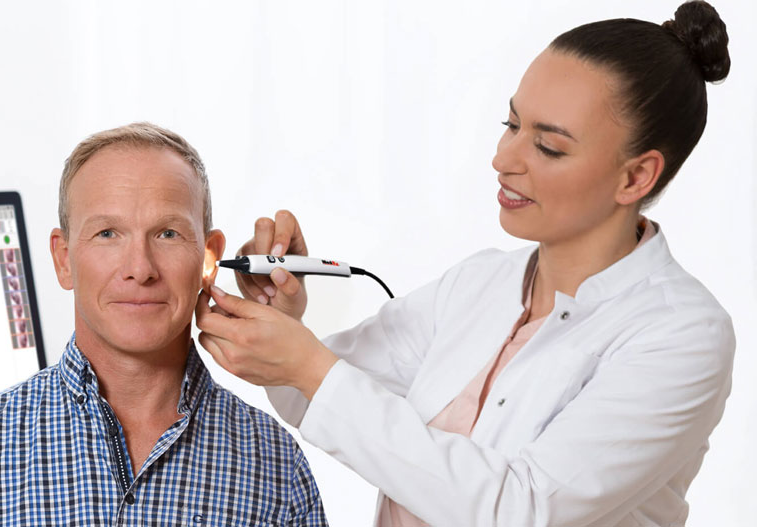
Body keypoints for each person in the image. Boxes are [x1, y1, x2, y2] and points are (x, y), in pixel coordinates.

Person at [195, 2, 733, 525]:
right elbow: (318, 396)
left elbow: (522, 510)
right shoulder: (479, 283)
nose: (503, 159)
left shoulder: (681, 335)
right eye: (511, 124)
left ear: (636, 177)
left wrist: (308, 366)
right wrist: (283, 321)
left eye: (547, 146)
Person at [0, 123, 327, 525]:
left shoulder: (276, 468)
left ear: (209, 258)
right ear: (64, 259)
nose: (140, 269)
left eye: (167, 234)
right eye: (107, 233)